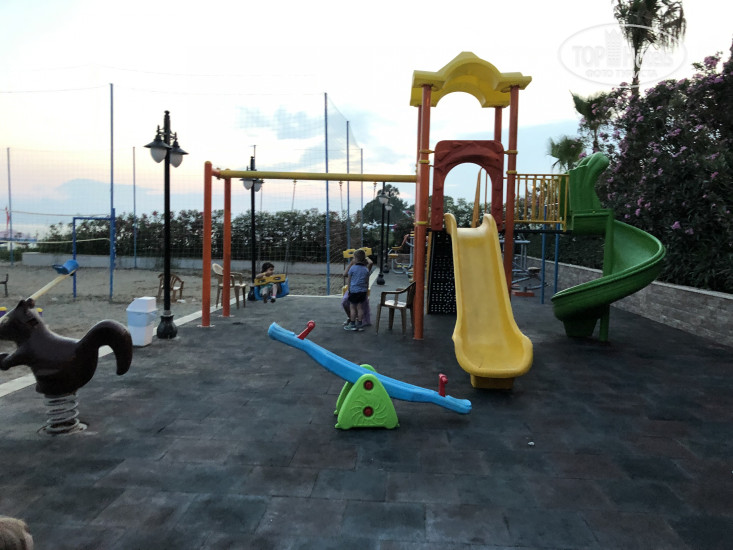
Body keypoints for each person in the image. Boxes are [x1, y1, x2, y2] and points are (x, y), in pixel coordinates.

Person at [342, 253, 373, 327]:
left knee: (352, 307)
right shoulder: (365, 269)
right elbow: (367, 282)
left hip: (353, 291)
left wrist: (364, 258)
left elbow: (348, 280)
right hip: (362, 291)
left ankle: (352, 323)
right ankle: (359, 323)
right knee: (359, 308)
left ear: (355, 258)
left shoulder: (354, 268)